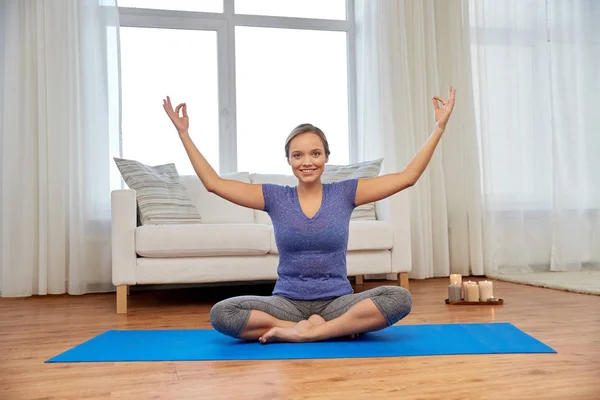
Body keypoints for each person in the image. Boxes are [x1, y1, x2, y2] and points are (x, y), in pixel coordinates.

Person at [162, 86, 457, 344]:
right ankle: (317, 330)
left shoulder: (345, 193)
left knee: (399, 298)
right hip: (287, 304)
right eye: (298, 155)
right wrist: (183, 133)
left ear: (326, 157)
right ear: (289, 160)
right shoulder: (275, 197)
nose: (307, 162)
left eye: (315, 154)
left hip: (337, 301)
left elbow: (407, 177)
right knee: (222, 313)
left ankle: (308, 333)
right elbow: (214, 184)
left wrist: (439, 129)